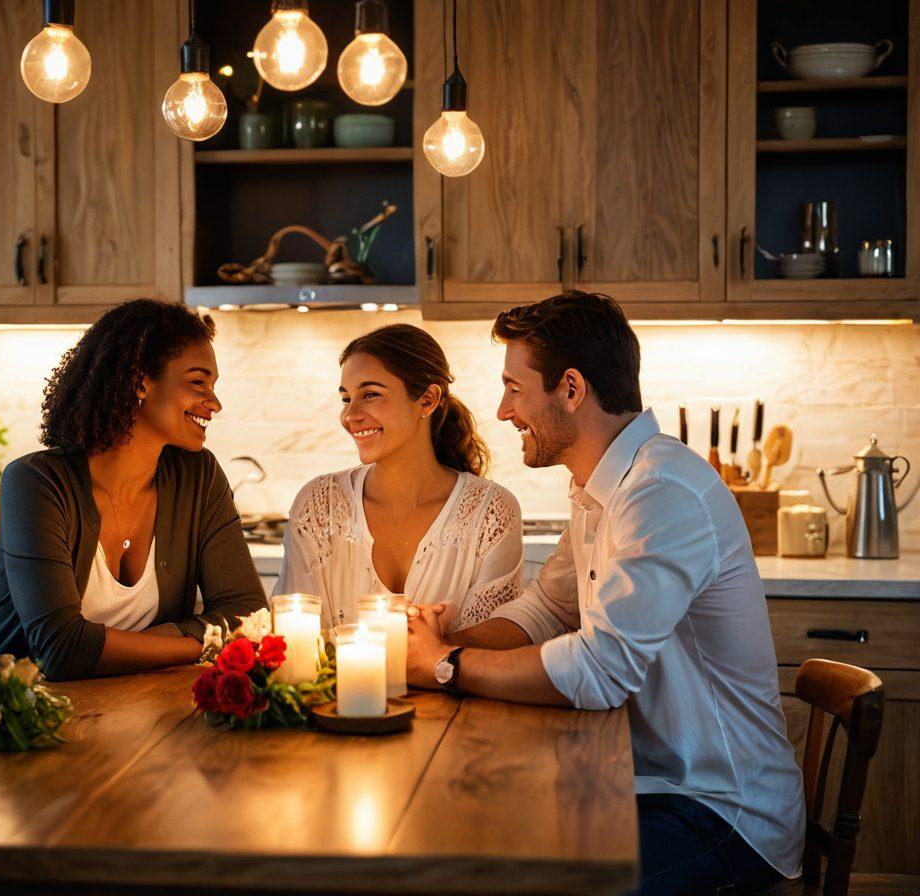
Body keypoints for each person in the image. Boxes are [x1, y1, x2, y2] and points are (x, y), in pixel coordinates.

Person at [405, 293, 805, 895]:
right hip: (647, 785)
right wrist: (438, 644)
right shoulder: (601, 487)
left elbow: (600, 672)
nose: (504, 410)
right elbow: (548, 607)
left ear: (571, 388)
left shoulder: (661, 490)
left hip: (723, 813)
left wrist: (444, 665)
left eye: (514, 388)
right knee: (481, 844)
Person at [0, 299, 267, 680]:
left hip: (122, 700)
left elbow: (248, 613)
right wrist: (206, 644)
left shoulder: (198, 476)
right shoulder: (36, 483)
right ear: (140, 383)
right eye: (198, 383)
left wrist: (105, 647)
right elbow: (61, 649)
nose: (214, 403)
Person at [277, 323, 522, 631]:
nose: (351, 415)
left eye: (370, 394)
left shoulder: (491, 512)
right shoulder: (318, 505)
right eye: (346, 399)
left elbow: (492, 645)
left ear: (427, 400)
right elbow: (291, 640)